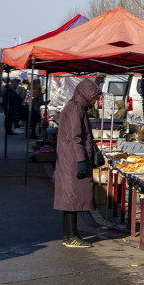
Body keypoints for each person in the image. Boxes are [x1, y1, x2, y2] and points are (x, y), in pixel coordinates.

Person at [54, 79, 103, 248]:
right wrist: (82, 161)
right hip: (73, 161)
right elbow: (75, 138)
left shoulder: (75, 106)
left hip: (70, 159)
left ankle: (70, 235)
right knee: (71, 200)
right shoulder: (75, 108)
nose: (95, 101)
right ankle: (71, 237)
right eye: (95, 98)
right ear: (87, 94)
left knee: (70, 201)